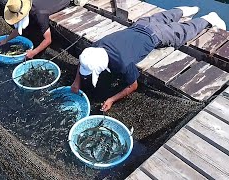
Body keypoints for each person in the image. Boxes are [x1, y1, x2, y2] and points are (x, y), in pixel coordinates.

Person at [71, 6, 226, 112]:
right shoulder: (97, 47)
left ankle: (208, 18)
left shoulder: (122, 63)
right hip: (142, 24)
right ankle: (184, 10)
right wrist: (76, 82)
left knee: (184, 32)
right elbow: (83, 60)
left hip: (157, 36)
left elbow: (133, 86)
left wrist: (112, 99)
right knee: (163, 16)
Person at [0, 0, 71, 58]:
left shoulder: (39, 14)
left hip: (63, 2)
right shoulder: (24, 4)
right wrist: (6, 40)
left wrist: (33, 52)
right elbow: (19, 28)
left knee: (37, 29)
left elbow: (48, 40)